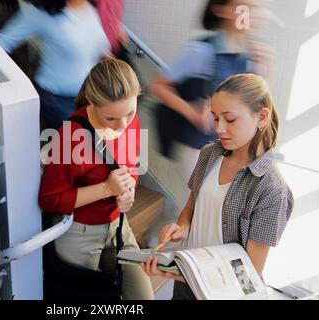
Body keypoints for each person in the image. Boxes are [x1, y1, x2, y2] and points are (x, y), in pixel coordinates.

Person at [142, 73, 294, 300]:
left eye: (229, 119)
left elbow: (248, 275)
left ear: (262, 117)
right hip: (186, 287)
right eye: (215, 118)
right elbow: (192, 207)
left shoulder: (272, 190)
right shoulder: (209, 154)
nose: (219, 129)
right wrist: (180, 229)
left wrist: (183, 274)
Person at [39, 59, 154, 300]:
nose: (123, 125)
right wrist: (106, 188)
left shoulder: (129, 122)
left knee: (143, 297)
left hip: (118, 226)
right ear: (92, 103)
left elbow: (130, 166)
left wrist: (129, 188)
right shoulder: (69, 137)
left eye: (130, 113)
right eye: (111, 118)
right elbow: (49, 200)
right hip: (78, 232)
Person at [150, 0, 272, 206]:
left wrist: (264, 70)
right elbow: (158, 85)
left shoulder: (252, 54)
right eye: (242, 7)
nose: (251, 13)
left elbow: (252, 102)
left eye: (253, 8)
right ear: (222, 10)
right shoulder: (202, 51)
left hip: (229, 147)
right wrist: (192, 111)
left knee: (213, 211)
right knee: (200, 210)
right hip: (198, 149)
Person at [0, 0, 110, 130]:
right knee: (75, 149)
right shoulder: (43, 12)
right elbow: (4, 41)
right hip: (57, 102)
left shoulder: (89, 8)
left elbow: (97, 47)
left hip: (88, 98)